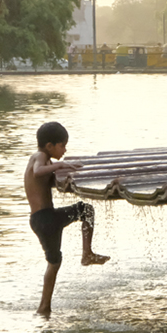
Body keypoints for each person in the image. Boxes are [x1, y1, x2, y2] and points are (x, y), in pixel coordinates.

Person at [24, 121, 108, 316]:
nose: (64, 150)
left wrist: (66, 172)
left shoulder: (45, 160)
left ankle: (44, 307)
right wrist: (61, 164)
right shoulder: (39, 157)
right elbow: (37, 171)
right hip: (45, 219)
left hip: (44, 219)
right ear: (49, 146)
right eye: (62, 145)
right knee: (85, 211)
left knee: (55, 262)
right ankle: (86, 254)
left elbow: (45, 179)